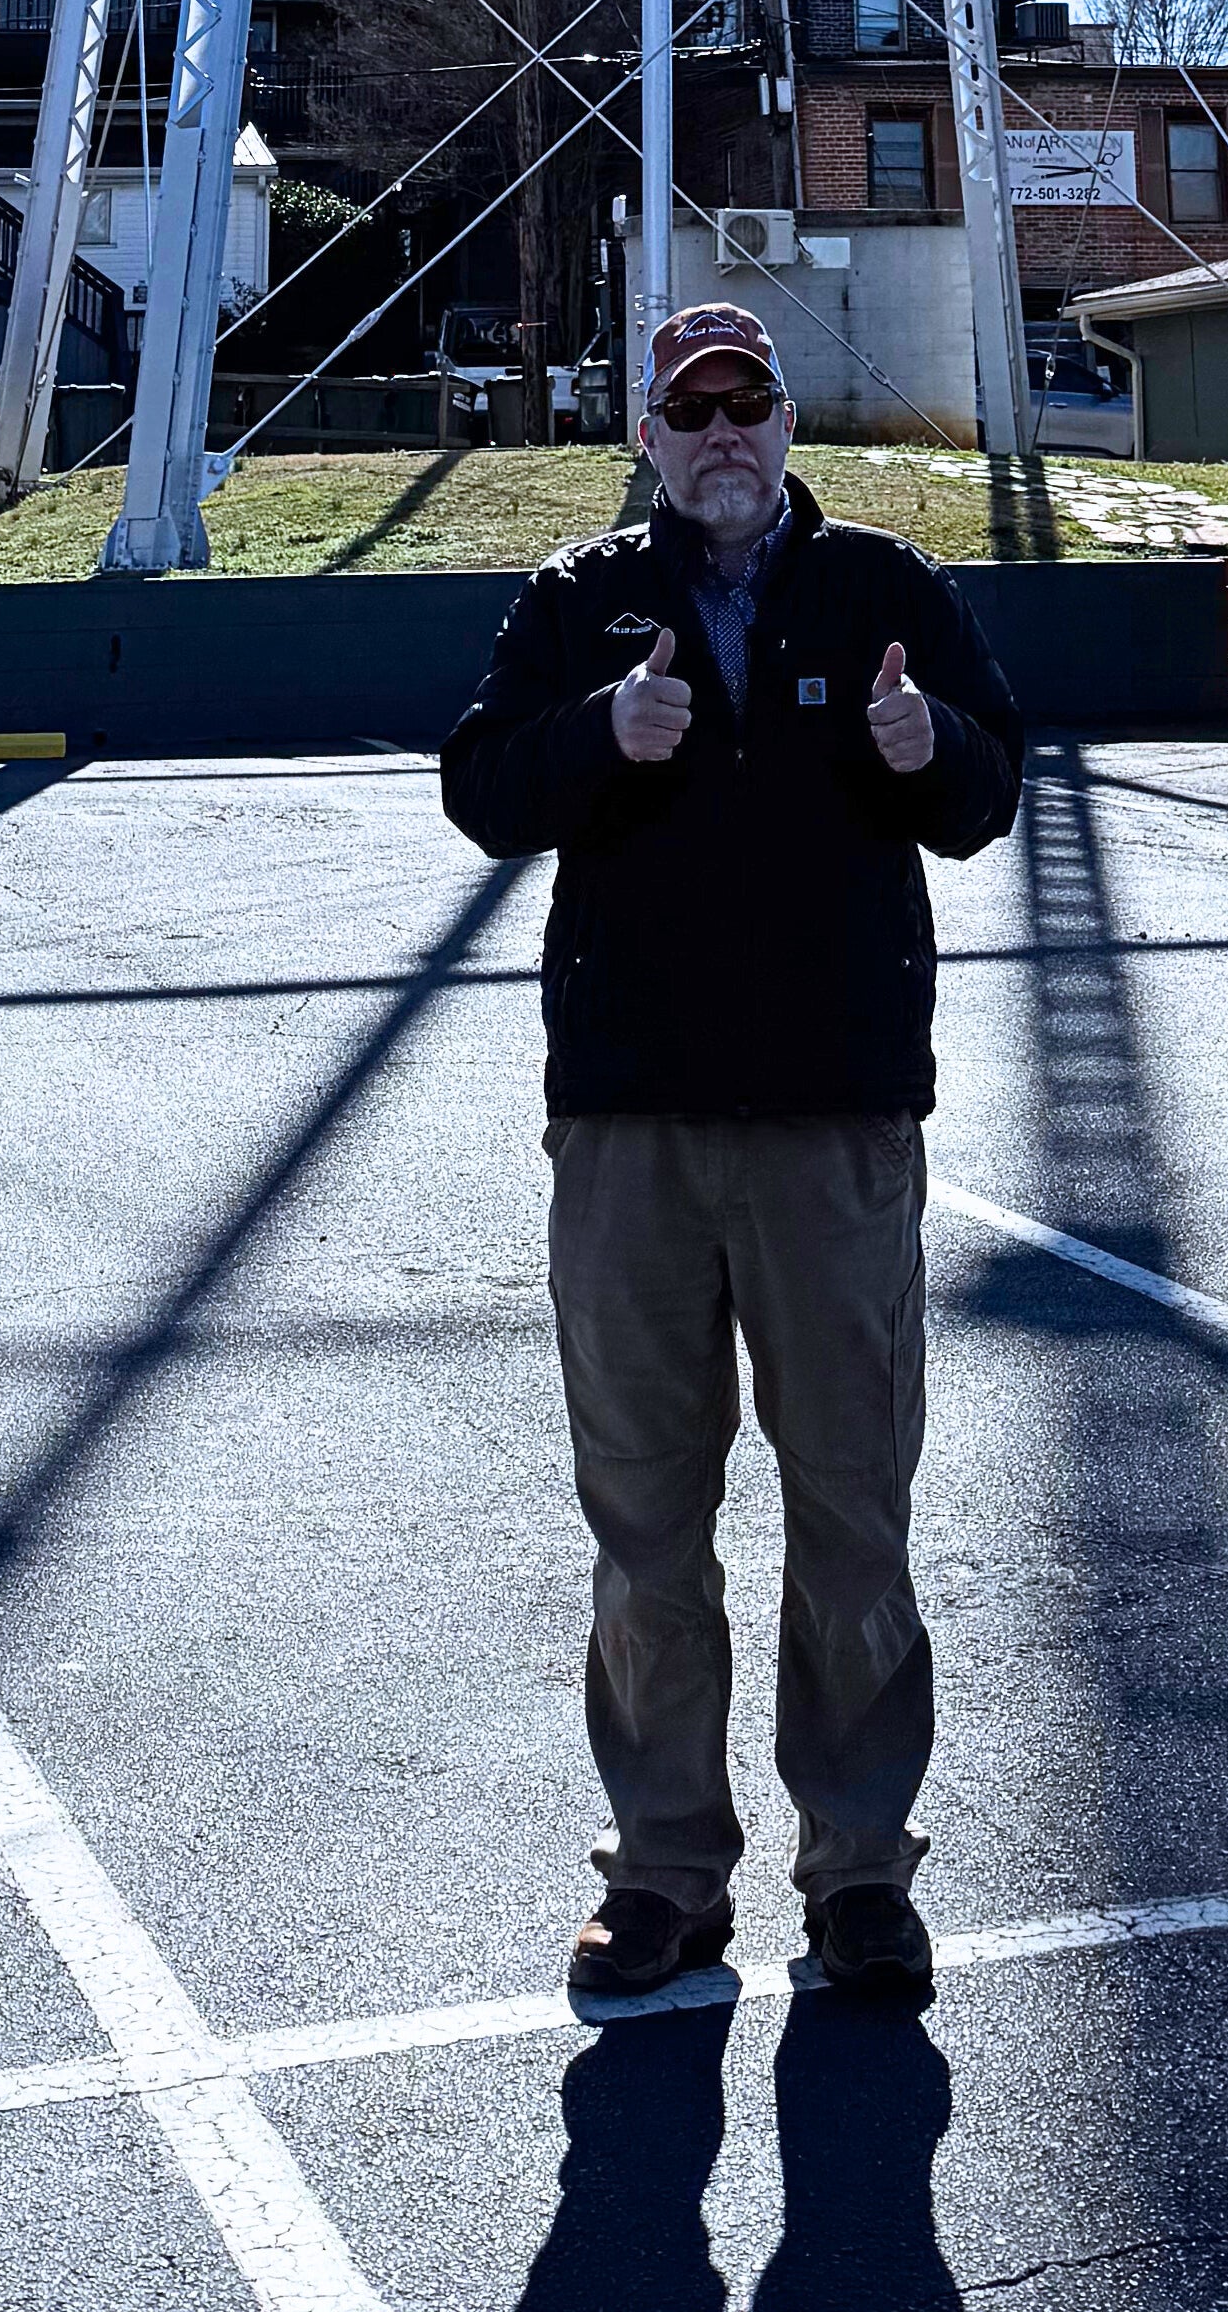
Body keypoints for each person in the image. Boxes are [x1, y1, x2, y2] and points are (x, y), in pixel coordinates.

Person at [442, 300, 1027, 2015]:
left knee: (853, 1513)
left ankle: (858, 1873)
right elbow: (481, 788)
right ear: (647, 433)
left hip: (837, 1125)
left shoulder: (888, 596)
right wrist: (594, 743)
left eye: (745, 405)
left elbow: (992, 785)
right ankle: (665, 1877)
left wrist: (931, 756)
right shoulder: (574, 604)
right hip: (628, 1125)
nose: (719, 434)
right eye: (688, 409)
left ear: (788, 426)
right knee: (645, 1523)